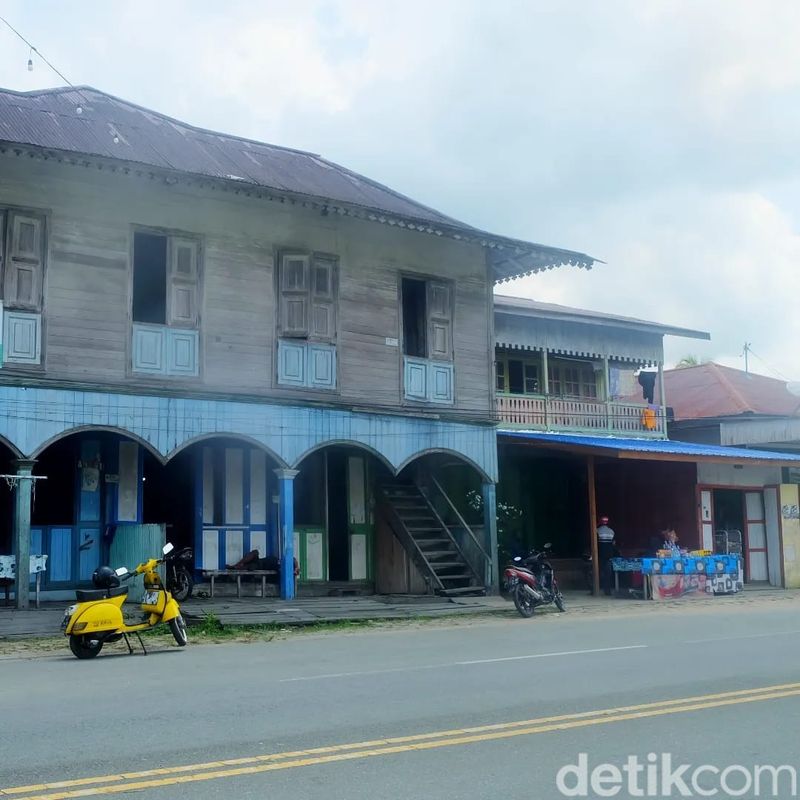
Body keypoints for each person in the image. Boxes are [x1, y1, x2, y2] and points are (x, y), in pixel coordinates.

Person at [596, 515, 616, 596]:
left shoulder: (597, 531)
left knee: (598, 572)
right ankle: (607, 591)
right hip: (609, 556)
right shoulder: (612, 531)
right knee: (608, 573)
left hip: (599, 555)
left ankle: (597, 589)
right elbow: (614, 544)